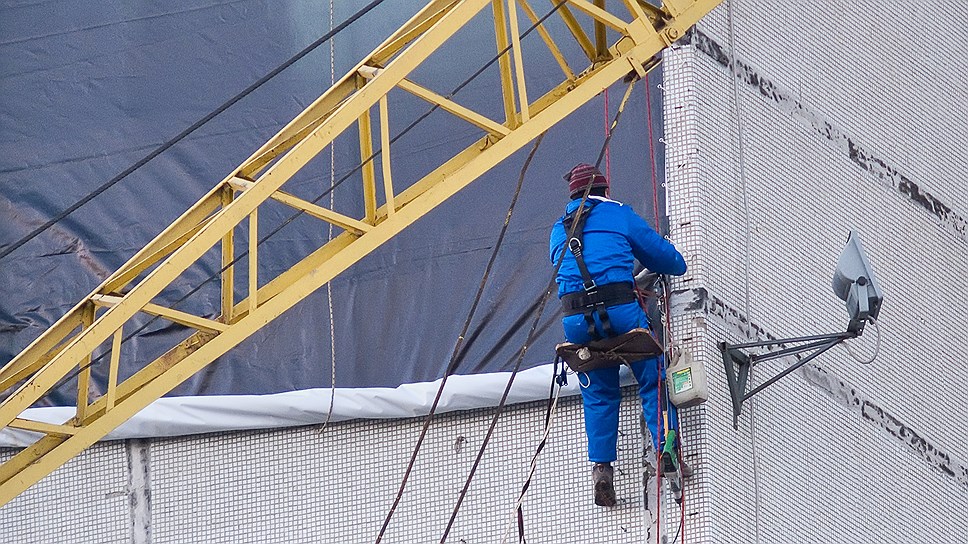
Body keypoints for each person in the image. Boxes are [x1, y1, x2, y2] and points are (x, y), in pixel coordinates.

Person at [549, 163, 687, 507]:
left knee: (599, 392)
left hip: (576, 322)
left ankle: (602, 471)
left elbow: (569, 270)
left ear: (572, 197)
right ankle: (666, 449)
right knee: (653, 375)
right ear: (604, 191)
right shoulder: (618, 215)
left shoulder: (557, 229)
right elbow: (672, 262)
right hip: (621, 312)